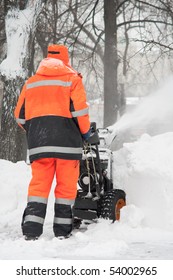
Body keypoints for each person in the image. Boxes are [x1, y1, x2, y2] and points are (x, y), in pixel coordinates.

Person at [14, 44, 91, 240]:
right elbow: (80, 112)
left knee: (38, 188)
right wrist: (86, 133)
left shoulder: (31, 83)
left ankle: (31, 232)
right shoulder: (72, 80)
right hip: (68, 145)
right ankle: (62, 233)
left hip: (40, 144)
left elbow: (20, 116)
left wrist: (36, 130)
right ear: (66, 60)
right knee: (65, 188)